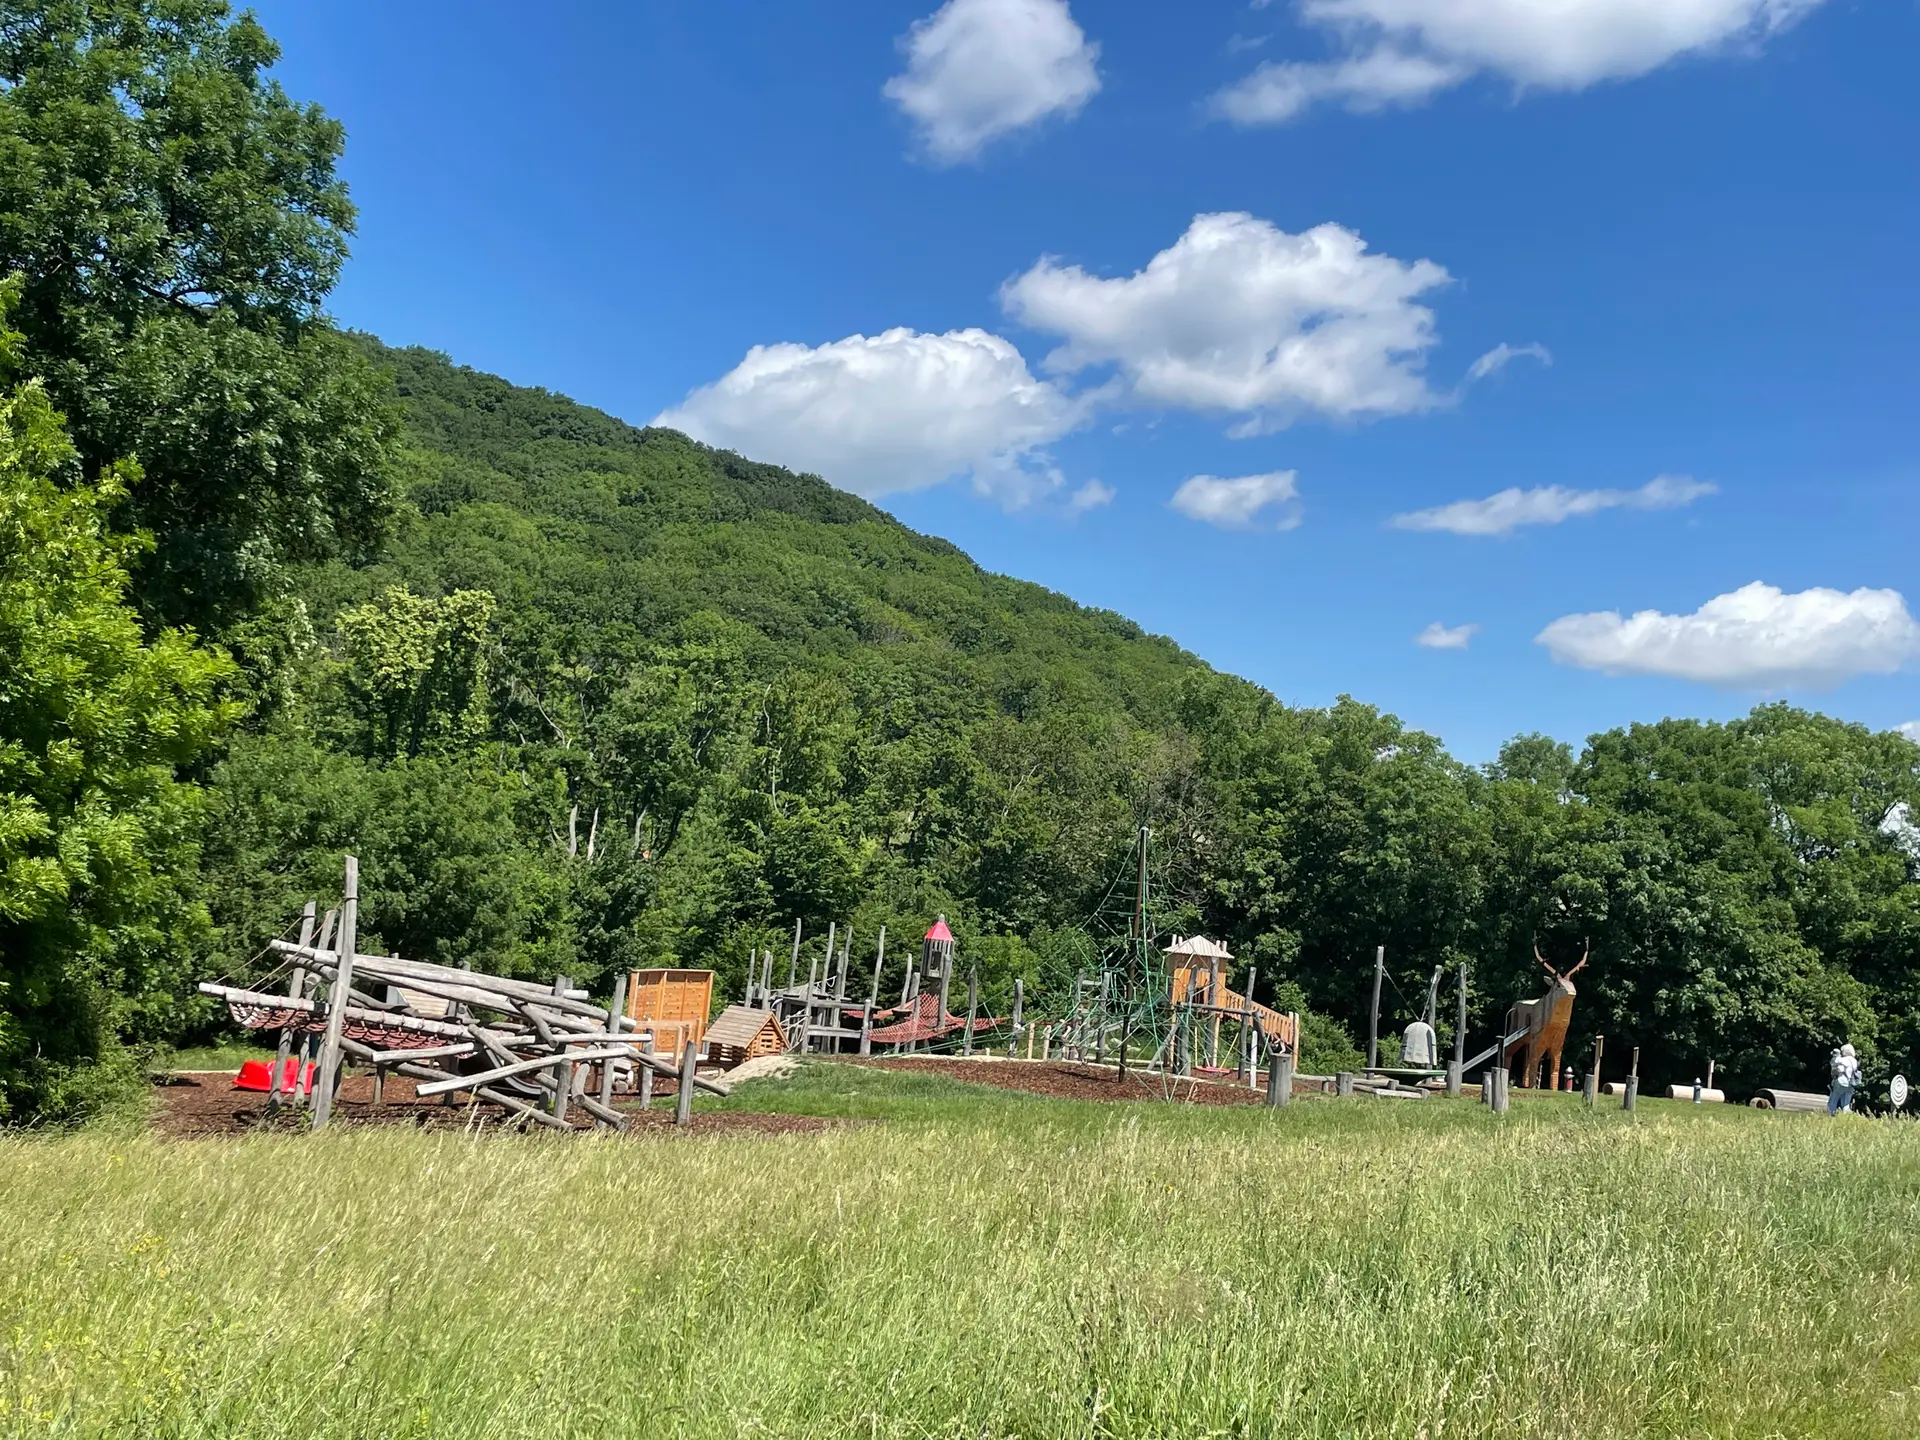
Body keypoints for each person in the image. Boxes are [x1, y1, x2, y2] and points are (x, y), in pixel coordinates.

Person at [1828, 1043, 1862, 1115]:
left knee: (1833, 1100)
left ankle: (1831, 1114)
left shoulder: (1842, 1060)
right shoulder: (1854, 1061)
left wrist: (1834, 1071)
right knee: (1846, 1103)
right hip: (1851, 1084)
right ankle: (1845, 1117)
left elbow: (1840, 1069)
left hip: (1841, 1082)